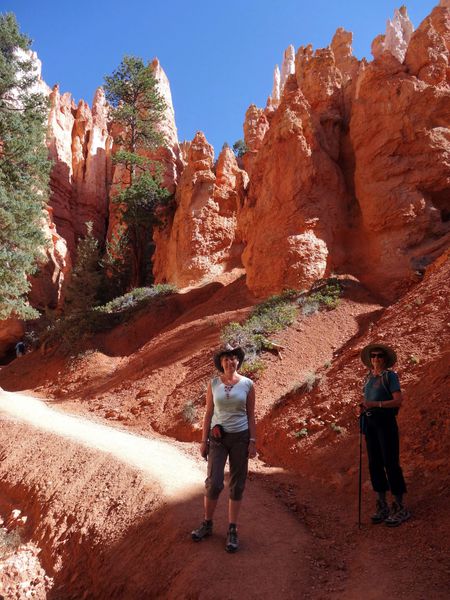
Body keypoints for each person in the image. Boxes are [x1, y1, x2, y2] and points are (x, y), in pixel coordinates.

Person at [191, 345, 256, 552]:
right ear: (220, 362)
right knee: (214, 482)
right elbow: (208, 413)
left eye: (233, 358)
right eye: (226, 359)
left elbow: (251, 415)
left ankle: (232, 529)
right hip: (217, 438)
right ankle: (207, 523)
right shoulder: (213, 384)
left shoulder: (247, 384)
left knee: (237, 484)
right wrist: (203, 441)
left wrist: (252, 441)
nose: (230, 362)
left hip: (240, 438)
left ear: (238, 361)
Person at [360, 343, 410, 527]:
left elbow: (398, 401)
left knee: (390, 463)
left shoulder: (390, 376)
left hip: (386, 423)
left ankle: (400, 506)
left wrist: (376, 405)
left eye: (380, 356)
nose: (376, 359)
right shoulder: (368, 378)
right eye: (373, 356)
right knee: (374, 463)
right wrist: (365, 406)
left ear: (385, 359)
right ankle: (382, 504)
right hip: (371, 424)